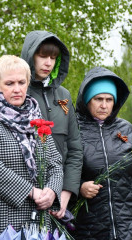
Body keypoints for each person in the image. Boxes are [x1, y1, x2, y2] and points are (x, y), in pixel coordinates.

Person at [0, 55, 63, 239]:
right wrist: (30, 191)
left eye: (21, 82)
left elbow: (55, 163)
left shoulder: (36, 118)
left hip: (37, 225)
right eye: (9, 83)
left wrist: (51, 192)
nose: (17, 89)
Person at [73, 66, 132, 240]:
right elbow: (61, 172)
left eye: (109, 99)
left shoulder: (127, 130)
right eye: (98, 99)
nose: (104, 105)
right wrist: (80, 187)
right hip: (90, 229)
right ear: (87, 100)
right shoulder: (73, 129)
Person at [21, 30, 83, 217]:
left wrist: (63, 194)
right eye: (42, 56)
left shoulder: (64, 95)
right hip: (24, 198)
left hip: (58, 202)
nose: (48, 63)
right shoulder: (17, 92)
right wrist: (33, 193)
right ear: (30, 55)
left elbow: (75, 149)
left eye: (53, 57)